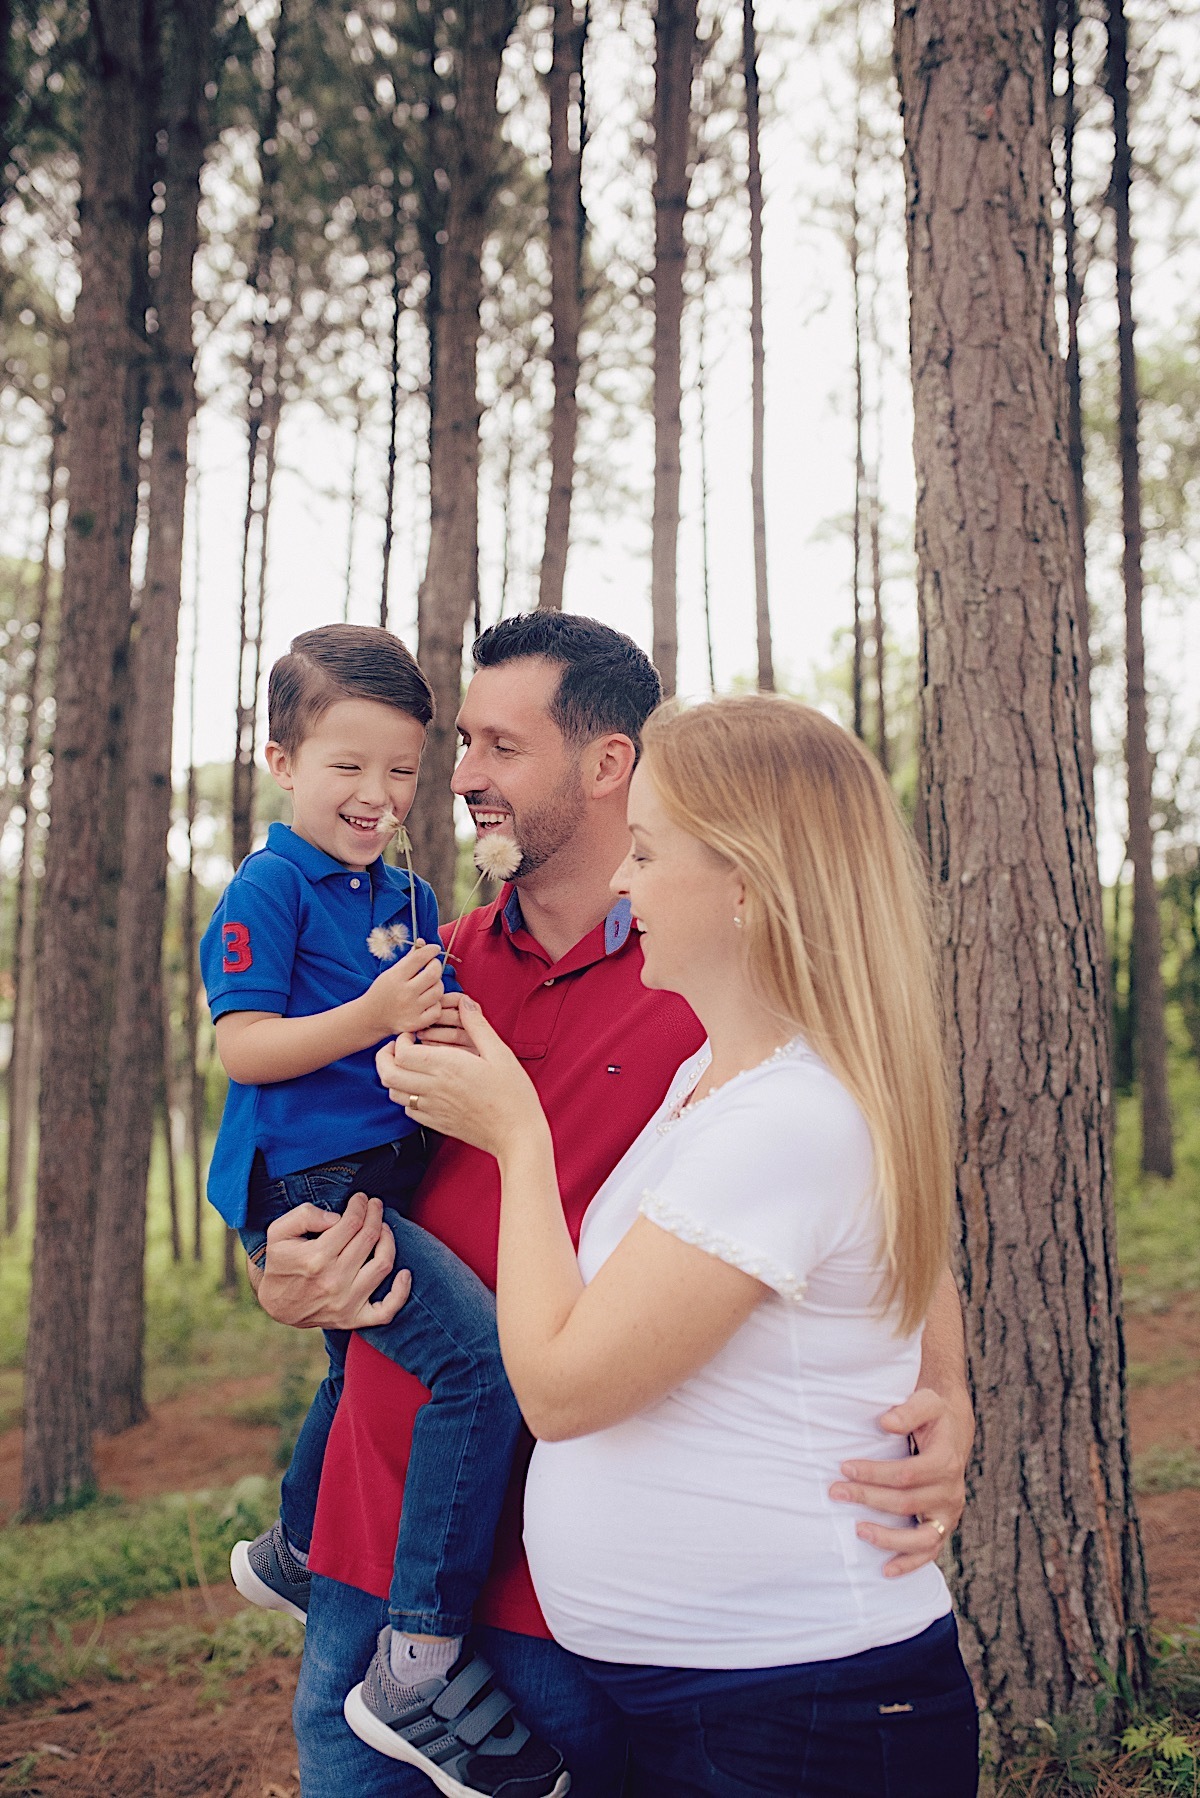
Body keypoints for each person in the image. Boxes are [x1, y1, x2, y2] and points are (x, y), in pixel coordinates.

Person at [248, 615, 975, 1798]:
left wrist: (938, 1385)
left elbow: (875, 1187)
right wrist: (282, 1272)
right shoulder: (416, 965)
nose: (464, 774)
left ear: (606, 765)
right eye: (465, 742)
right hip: (370, 1549)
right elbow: (305, 1158)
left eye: (501, 744)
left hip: (559, 1610)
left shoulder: (716, 986)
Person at [200, 623, 566, 1798]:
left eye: (402, 770)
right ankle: (415, 1653)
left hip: (382, 1165)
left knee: (356, 1373)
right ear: (280, 762)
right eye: (346, 766)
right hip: (313, 1186)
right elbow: (245, 1047)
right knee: (478, 1364)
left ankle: (300, 1548)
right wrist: (371, 1016)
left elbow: (436, 1007)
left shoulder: (401, 888)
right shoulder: (269, 886)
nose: (378, 793)